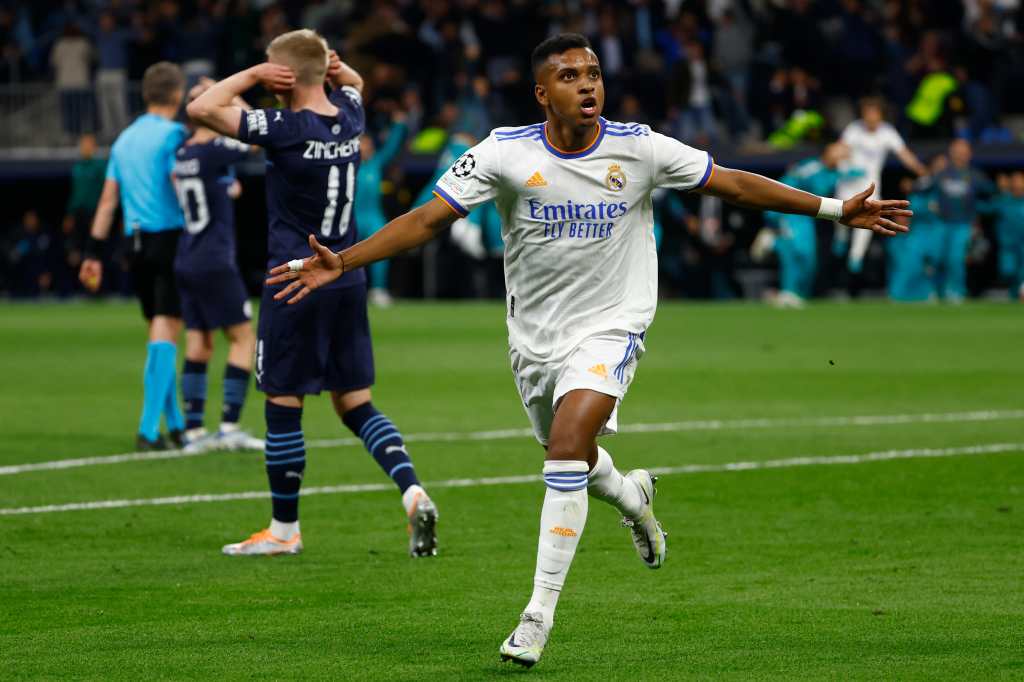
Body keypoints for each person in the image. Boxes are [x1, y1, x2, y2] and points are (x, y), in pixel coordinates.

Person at [266, 33, 911, 667]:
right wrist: (343, 262)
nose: (587, 85)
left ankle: (536, 616)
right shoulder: (503, 153)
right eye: (570, 76)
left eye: (594, 73)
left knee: (569, 443)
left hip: (613, 324)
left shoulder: (640, 147)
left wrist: (835, 210)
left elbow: (734, 184)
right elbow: (428, 218)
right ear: (542, 92)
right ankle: (633, 498)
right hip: (534, 340)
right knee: (569, 456)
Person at [187, 29, 438, 558]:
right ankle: (412, 490)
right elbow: (356, 84)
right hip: (345, 275)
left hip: (294, 279)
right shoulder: (350, 114)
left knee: (284, 405)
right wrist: (335, 71)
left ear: (281, 77)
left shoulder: (285, 126)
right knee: (355, 403)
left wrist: (252, 75)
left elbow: (202, 108)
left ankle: (284, 531)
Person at [79, 62, 190, 451]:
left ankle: (176, 425)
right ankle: (147, 429)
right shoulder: (174, 134)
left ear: (145, 94)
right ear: (177, 94)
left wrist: (93, 253)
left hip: (134, 242)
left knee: (159, 331)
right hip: (169, 237)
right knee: (167, 328)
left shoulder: (124, 139)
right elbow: (179, 182)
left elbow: (108, 200)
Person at [173, 80, 263, 453]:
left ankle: (194, 432)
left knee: (199, 343)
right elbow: (256, 131)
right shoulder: (216, 151)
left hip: (187, 256)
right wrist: (228, 91)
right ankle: (229, 427)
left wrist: (225, 187)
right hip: (214, 258)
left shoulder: (183, 152)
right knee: (243, 339)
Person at [751, 142, 860, 307]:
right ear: (828, 151)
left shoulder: (834, 172)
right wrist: (772, 214)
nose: (843, 155)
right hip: (787, 211)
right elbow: (787, 185)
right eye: (839, 151)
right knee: (794, 251)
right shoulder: (812, 167)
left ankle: (798, 293)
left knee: (809, 256)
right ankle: (787, 288)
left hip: (805, 216)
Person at [833, 97, 926, 281]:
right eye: (866, 113)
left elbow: (904, 154)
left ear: (880, 115)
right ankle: (840, 237)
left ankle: (856, 257)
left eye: (873, 113)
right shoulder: (854, 128)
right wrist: (843, 167)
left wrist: (921, 170)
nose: (870, 117)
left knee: (868, 218)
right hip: (848, 182)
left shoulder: (887, 132)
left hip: (870, 185)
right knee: (838, 212)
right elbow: (839, 150)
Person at [355, 111, 408, 306]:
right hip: (353, 217)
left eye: (368, 144)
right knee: (348, 255)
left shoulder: (376, 163)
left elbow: (391, 147)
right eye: (363, 144)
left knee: (381, 251)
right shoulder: (348, 165)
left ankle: (378, 289)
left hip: (374, 217)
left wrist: (399, 126)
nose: (366, 148)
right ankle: (348, 290)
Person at [931, 138, 993, 302]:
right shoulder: (942, 174)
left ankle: (956, 292)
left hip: (963, 224)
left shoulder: (975, 176)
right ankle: (938, 292)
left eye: (963, 152)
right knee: (938, 258)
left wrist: (977, 216)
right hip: (941, 224)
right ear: (951, 153)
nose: (960, 155)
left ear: (969, 154)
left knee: (956, 259)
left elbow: (991, 193)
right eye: (957, 151)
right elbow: (927, 189)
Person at [980, 171, 1024, 301]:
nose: (1018, 184)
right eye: (1015, 181)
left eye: (1020, 181)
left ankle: (1018, 294)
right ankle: (1014, 292)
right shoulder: (1003, 200)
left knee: (1022, 272)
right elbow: (986, 208)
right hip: (1007, 244)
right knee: (1007, 270)